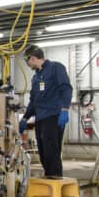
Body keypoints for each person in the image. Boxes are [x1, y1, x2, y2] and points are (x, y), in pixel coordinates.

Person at [19, 45, 72, 178]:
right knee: (42, 151)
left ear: (32, 58)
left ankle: (55, 179)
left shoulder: (56, 68)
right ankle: (49, 177)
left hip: (54, 116)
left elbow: (66, 88)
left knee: (51, 151)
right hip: (40, 118)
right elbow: (34, 100)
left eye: (27, 61)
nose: (27, 64)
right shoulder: (35, 78)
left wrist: (65, 109)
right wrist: (25, 118)